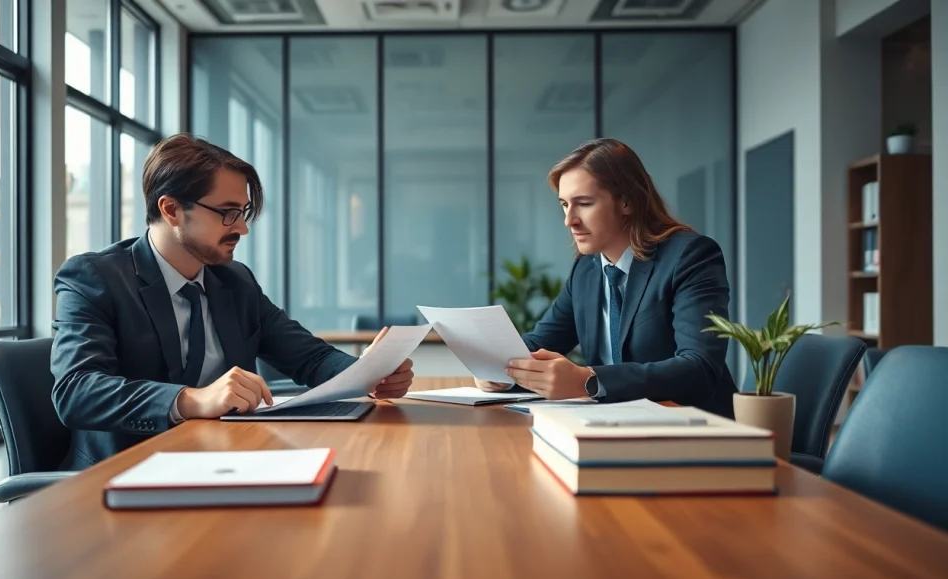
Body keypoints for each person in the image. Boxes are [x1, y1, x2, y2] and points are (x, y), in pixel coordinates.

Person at [50, 134, 414, 470]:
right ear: (172, 209)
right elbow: (77, 390)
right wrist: (192, 400)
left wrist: (364, 375)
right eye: (227, 212)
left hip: (225, 462)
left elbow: (310, 357)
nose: (241, 228)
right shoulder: (95, 278)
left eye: (242, 212)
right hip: (125, 475)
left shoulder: (234, 281)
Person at [476, 138, 737, 417]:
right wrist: (497, 370)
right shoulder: (586, 270)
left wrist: (588, 380)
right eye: (564, 204)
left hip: (694, 428)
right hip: (613, 425)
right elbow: (539, 343)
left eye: (584, 203)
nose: (569, 220)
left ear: (626, 201)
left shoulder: (690, 256)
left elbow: (699, 368)